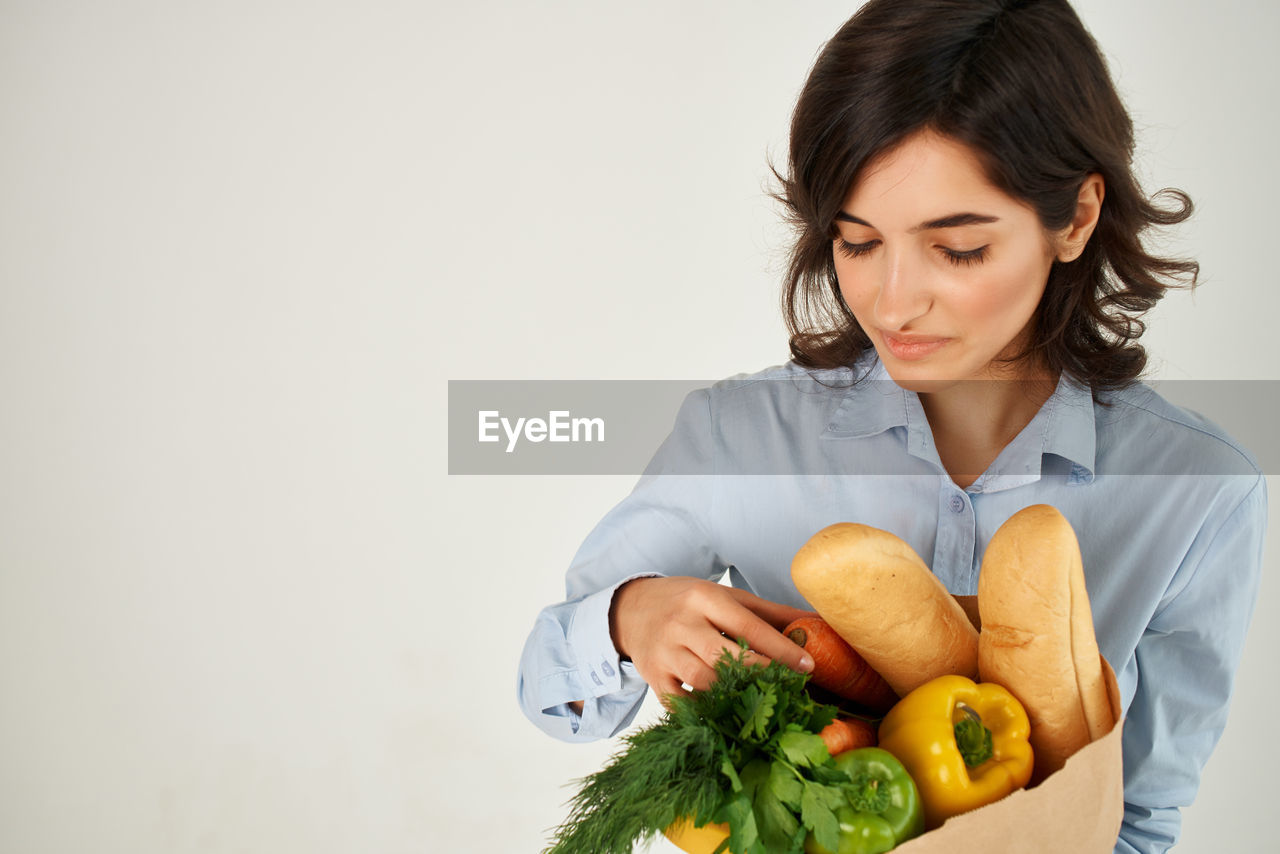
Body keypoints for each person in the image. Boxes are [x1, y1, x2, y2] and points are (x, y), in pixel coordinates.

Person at [515, 1, 1267, 852]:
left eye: (958, 249)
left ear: (1077, 218)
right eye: (858, 242)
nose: (893, 301)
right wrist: (627, 617)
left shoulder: (1198, 490)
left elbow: (1140, 818)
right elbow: (553, 695)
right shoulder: (737, 436)